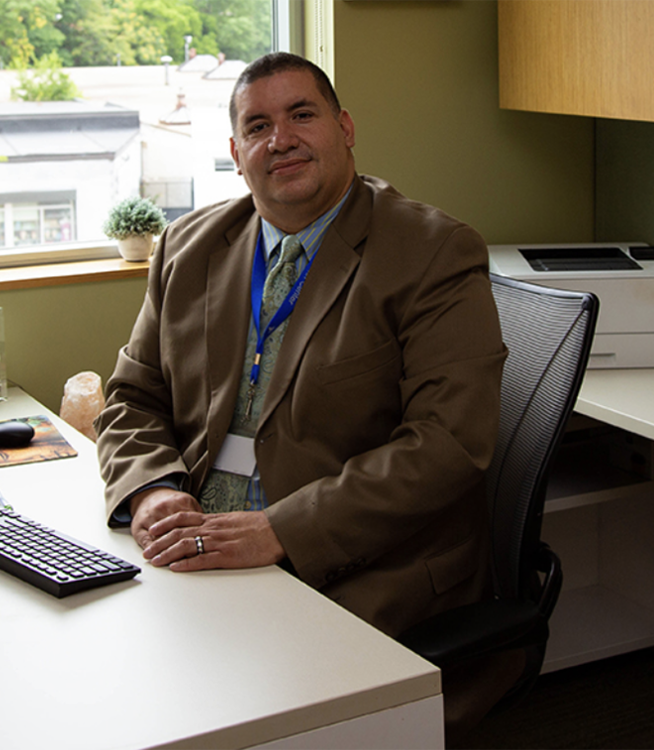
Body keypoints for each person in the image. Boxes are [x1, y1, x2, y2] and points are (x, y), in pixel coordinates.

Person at [93, 52, 509, 737]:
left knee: (237, 714)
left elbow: (447, 443)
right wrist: (153, 490)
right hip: (204, 546)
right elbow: (134, 394)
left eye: (302, 115)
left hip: (355, 564)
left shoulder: (432, 252)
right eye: (258, 125)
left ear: (345, 128)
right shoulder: (188, 248)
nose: (280, 139)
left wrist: (282, 530)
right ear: (236, 153)